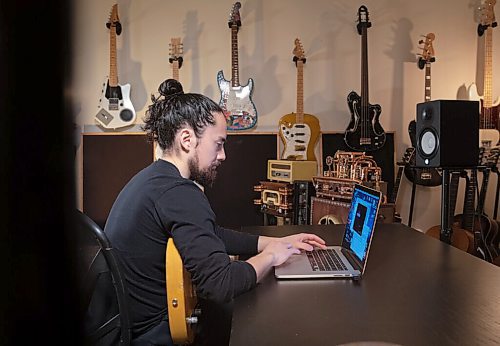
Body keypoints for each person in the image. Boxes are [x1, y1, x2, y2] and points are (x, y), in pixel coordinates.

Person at [104, 79, 326, 345]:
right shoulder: (178, 193)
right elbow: (220, 285)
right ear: (187, 139)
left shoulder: (153, 179)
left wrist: (274, 242)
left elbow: (210, 234)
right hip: (152, 334)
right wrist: (270, 257)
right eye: (218, 144)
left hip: (126, 328)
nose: (223, 156)